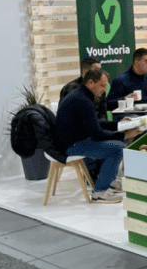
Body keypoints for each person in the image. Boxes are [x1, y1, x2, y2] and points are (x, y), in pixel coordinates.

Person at [56, 69, 141, 203]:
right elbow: (97, 134)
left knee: (116, 145)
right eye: (102, 85)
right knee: (117, 148)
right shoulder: (83, 100)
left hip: (74, 141)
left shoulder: (82, 95)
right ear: (90, 83)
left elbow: (96, 123)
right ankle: (100, 193)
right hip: (71, 146)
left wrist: (119, 124)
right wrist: (124, 135)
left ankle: (109, 182)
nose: (104, 90)